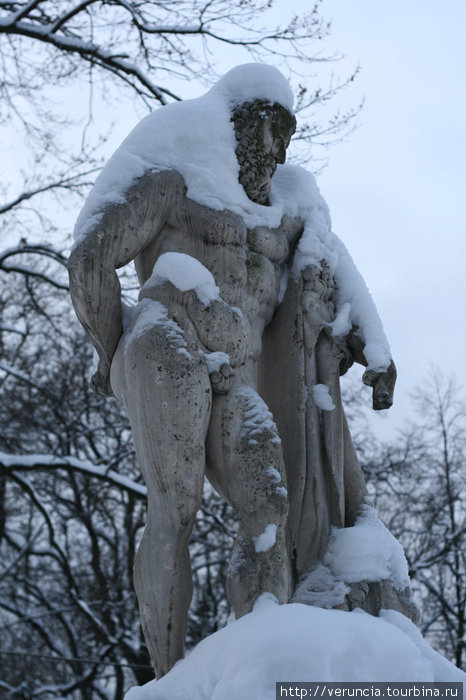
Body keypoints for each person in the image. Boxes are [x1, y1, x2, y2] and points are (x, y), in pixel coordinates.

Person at [68, 64, 396, 677]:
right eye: (265, 128)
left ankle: (264, 655)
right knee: (177, 506)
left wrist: (374, 349)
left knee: (269, 504)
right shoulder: (176, 155)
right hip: (170, 339)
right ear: (237, 119)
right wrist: (111, 353)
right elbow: (90, 258)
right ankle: (167, 677)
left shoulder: (292, 199)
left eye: (286, 133)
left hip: (234, 372)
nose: (275, 148)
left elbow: (332, 263)